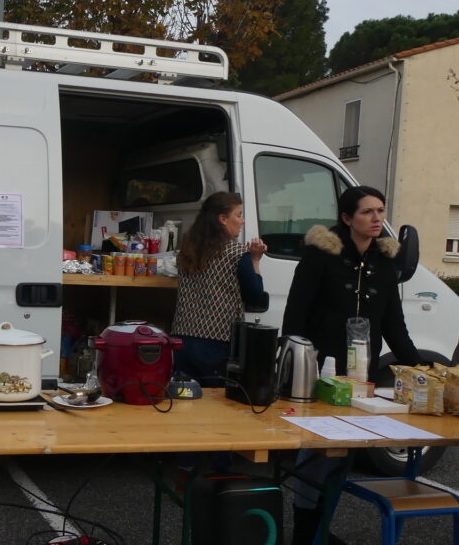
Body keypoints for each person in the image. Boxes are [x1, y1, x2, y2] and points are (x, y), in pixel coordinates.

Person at [282, 185, 421, 545]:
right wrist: (294, 365)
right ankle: (305, 533)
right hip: (319, 373)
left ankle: (319, 529)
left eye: (381, 210)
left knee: (342, 456)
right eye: (367, 212)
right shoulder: (321, 255)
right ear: (347, 218)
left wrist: (421, 369)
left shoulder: (385, 262)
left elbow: (394, 324)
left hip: (361, 378)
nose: (377, 218)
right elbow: (295, 315)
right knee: (316, 455)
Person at [171, 191, 268, 388]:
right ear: (223, 219)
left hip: (181, 338)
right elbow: (255, 296)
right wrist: (256, 260)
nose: (242, 221)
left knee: (183, 396)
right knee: (214, 402)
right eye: (239, 215)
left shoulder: (188, 250)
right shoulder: (236, 253)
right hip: (217, 341)